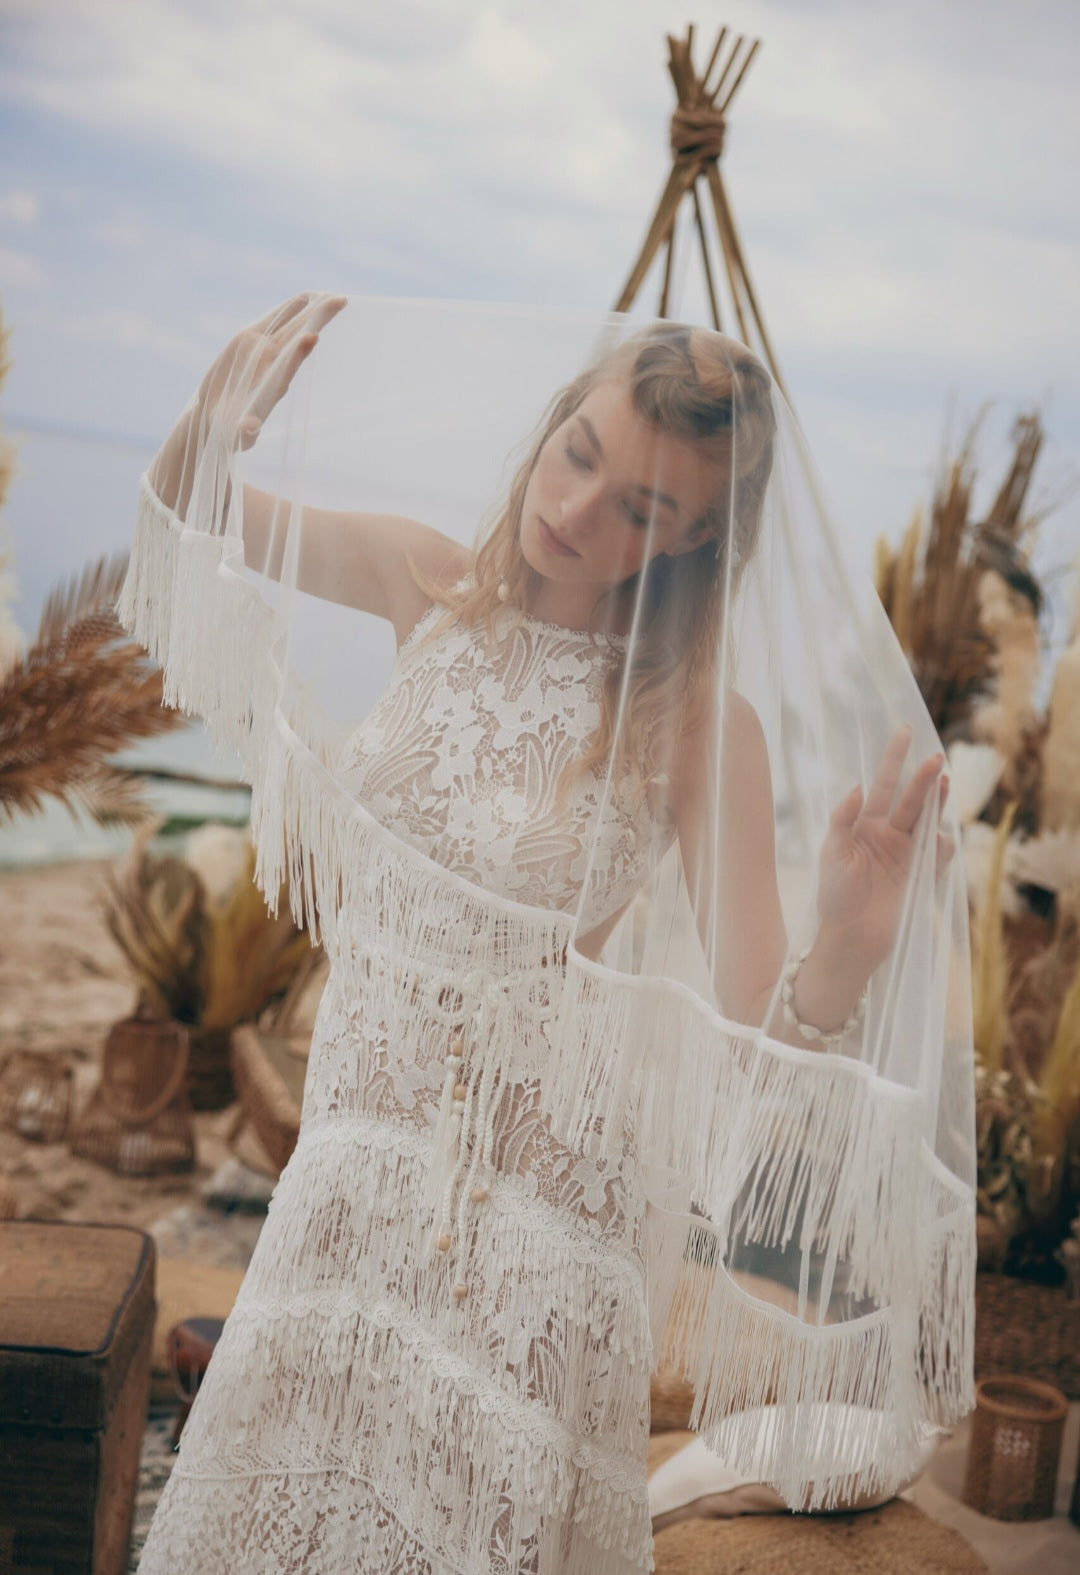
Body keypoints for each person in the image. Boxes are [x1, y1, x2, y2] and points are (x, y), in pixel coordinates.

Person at [122, 295, 974, 1574]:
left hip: (525, 1230)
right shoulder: (421, 582)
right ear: (552, 424)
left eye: (640, 509)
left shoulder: (695, 723)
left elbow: (752, 1027)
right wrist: (212, 426)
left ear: (688, 544)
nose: (576, 514)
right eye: (581, 453)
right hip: (349, 1175)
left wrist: (846, 946)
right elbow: (194, 527)